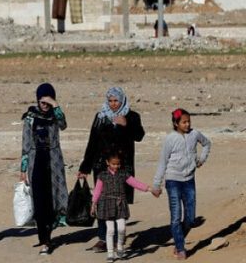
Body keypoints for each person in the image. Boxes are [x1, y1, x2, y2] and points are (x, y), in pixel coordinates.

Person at [78, 86, 145, 253]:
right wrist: (85, 167)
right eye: (111, 101)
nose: (114, 104)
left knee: (118, 202)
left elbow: (140, 136)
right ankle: (102, 239)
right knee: (101, 202)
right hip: (101, 167)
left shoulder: (132, 116)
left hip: (121, 167)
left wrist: (126, 124)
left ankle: (117, 240)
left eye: (116, 100)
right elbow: (92, 142)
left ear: (122, 100)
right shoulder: (100, 117)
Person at [152, 109, 211, 260]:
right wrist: (156, 184)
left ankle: (179, 240)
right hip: (173, 181)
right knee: (176, 216)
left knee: (190, 219)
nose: (187, 124)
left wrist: (201, 160)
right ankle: (180, 248)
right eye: (184, 122)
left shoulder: (195, 134)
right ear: (175, 123)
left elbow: (207, 143)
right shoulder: (170, 139)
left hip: (189, 181)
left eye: (189, 121)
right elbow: (162, 162)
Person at [20, 83, 68, 255]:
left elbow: (63, 124)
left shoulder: (55, 116)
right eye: (42, 99)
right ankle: (44, 240)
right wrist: (23, 169)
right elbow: (25, 144)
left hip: (53, 162)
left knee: (53, 199)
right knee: (39, 201)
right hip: (36, 162)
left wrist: (55, 105)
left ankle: (49, 233)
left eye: (48, 99)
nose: (45, 103)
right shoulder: (30, 117)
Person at [89, 150, 156, 262]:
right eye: (113, 164)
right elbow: (97, 191)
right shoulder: (102, 176)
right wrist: (93, 204)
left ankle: (120, 247)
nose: (116, 166)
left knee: (121, 228)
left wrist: (149, 189)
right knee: (110, 230)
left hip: (120, 204)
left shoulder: (123, 174)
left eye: (118, 164)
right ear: (107, 163)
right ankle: (110, 253)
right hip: (106, 204)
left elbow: (135, 183)